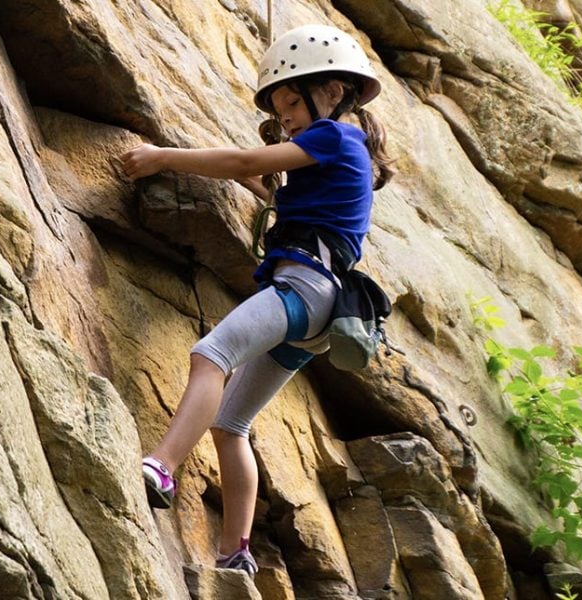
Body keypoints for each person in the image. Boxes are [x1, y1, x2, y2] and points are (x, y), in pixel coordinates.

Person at [121, 24, 394, 578]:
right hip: (321, 312)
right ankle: (235, 553)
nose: (287, 115)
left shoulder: (337, 137)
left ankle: (163, 467)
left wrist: (162, 157)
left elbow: (248, 164)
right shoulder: (346, 152)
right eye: (278, 106)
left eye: (293, 101)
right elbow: (270, 189)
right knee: (231, 424)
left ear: (334, 91)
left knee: (211, 355)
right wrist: (265, 171)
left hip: (303, 289)